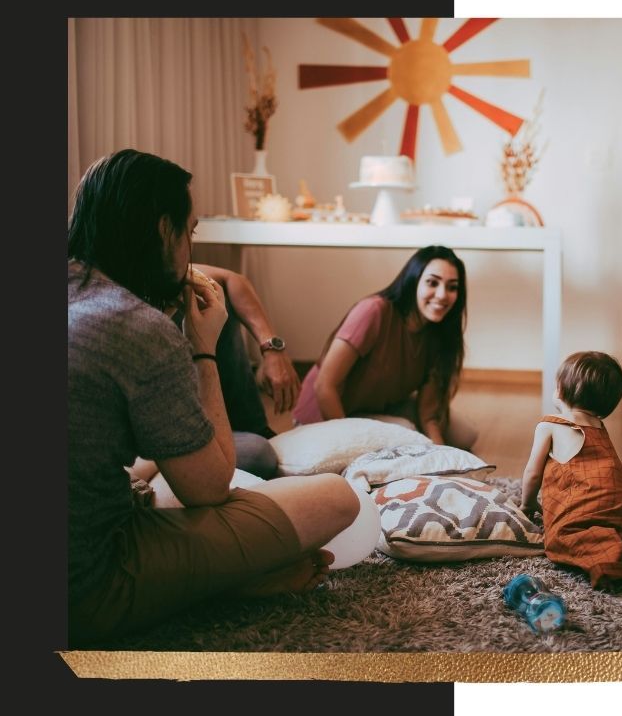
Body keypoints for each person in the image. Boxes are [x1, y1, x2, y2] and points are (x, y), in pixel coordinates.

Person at [67, 149, 360, 646]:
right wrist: (202, 349)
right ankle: (228, 584)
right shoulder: (136, 325)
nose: (190, 246)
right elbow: (207, 488)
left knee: (152, 473)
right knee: (336, 496)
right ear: (164, 230)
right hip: (87, 587)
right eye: (192, 231)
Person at [292, 245, 477, 449]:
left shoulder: (439, 331)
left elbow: (428, 414)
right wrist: (352, 446)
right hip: (326, 414)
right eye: (432, 283)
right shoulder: (374, 311)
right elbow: (324, 386)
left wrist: (443, 456)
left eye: (452, 287)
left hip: (376, 405)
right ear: (413, 281)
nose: (442, 295)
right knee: (408, 432)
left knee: (465, 435)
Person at [519, 351, 622, 591]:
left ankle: (606, 564)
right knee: (604, 527)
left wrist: (527, 503)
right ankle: (613, 539)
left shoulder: (550, 425)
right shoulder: (599, 426)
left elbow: (532, 473)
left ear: (561, 390)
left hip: (588, 506)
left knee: (568, 534)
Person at [168, 263, 301, 477]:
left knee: (212, 294)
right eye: (189, 232)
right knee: (258, 455)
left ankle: (252, 427)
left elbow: (231, 278)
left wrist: (272, 348)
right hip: (170, 432)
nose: (190, 243)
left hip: (230, 425)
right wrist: (204, 354)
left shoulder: (169, 272)